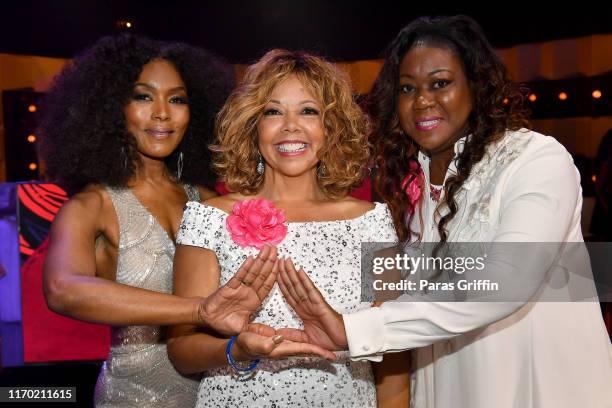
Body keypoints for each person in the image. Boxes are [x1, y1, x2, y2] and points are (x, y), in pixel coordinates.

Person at [273, 16, 612, 408]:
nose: (422, 100)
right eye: (407, 88)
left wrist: (354, 329)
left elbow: (508, 281)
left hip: (539, 386)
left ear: (476, 85)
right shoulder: (405, 190)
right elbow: (396, 301)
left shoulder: (533, 159)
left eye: (440, 83)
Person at [39, 34, 280, 407]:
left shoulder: (211, 203)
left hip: (220, 392)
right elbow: (62, 288)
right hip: (133, 398)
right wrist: (199, 309)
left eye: (178, 99)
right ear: (111, 107)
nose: (163, 112)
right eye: (143, 96)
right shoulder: (93, 206)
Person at [168, 49, 410, 407]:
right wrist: (238, 348)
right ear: (253, 126)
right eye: (273, 111)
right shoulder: (209, 218)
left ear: (332, 127)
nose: (291, 126)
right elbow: (181, 351)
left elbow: (393, 357)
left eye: (308, 111)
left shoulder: (372, 221)